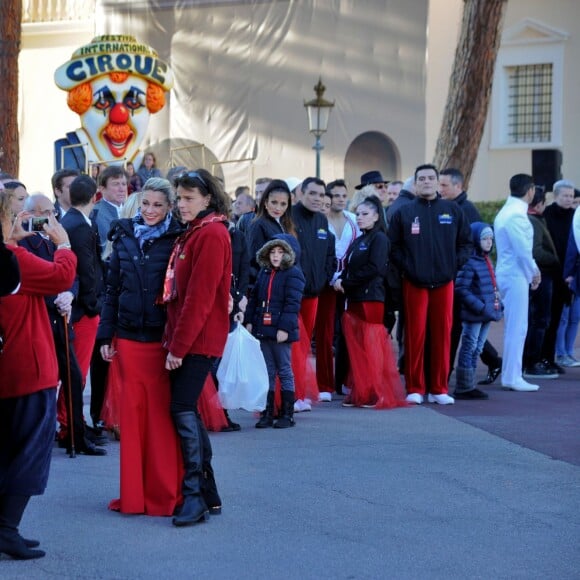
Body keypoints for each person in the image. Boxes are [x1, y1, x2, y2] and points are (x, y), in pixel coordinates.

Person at [96, 177, 183, 515]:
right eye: (145, 204)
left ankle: (163, 496)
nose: (150, 211)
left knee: (161, 420)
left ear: (169, 207)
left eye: (158, 205)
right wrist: (106, 336)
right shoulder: (124, 235)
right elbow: (112, 290)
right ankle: (133, 496)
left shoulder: (178, 239)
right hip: (129, 340)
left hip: (162, 342)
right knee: (131, 421)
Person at [0, 207, 76, 560]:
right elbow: (61, 276)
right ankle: (7, 529)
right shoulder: (13, 260)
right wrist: (64, 245)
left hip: (11, 366)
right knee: (28, 454)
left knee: (10, 451)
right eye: (13, 211)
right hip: (28, 367)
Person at [162, 169, 232, 527]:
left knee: (182, 408)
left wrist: (178, 346)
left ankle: (195, 495)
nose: (182, 204)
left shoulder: (213, 234)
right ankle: (207, 491)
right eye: (180, 197)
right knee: (187, 409)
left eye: (190, 198)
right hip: (190, 336)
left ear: (207, 199)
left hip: (198, 339)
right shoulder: (197, 232)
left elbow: (199, 299)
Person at [20, 194, 106, 457]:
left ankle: (77, 437)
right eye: (45, 212)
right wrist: (55, 295)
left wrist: (69, 294)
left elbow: (73, 273)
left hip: (63, 319)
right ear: (31, 214)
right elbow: (32, 277)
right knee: (42, 383)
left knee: (74, 378)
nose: (51, 218)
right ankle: (37, 440)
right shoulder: (25, 241)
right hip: (42, 320)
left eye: (52, 212)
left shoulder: (59, 238)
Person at [388, 164, 472, 405]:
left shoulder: (452, 211)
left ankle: (439, 388)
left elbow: (466, 244)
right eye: (421, 178)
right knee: (415, 335)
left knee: (442, 335)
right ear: (415, 183)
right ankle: (415, 387)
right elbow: (393, 247)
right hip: (414, 283)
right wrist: (409, 267)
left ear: (437, 182)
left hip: (444, 283)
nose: (426, 181)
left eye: (430, 178)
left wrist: (453, 266)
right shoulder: (404, 213)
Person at [334, 195, 406, 409]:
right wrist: (342, 280)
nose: (360, 217)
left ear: (376, 216)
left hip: (370, 299)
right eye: (358, 214)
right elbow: (352, 267)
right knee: (357, 348)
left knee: (371, 347)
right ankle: (361, 391)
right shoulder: (359, 240)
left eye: (365, 214)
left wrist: (345, 282)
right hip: (355, 299)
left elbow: (375, 269)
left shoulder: (380, 239)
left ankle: (376, 392)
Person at [246, 237, 305, 428]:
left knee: (285, 371)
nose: (276, 256)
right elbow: (254, 298)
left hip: (280, 330)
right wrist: (249, 321)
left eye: (280, 252)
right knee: (267, 372)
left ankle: (287, 414)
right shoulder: (264, 272)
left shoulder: (293, 274)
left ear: (287, 254)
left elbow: (292, 304)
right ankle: (268, 412)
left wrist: (284, 328)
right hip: (263, 328)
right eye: (272, 252)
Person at [494, 174, 541, 392]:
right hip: (515, 275)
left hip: (510, 273)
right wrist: (534, 271)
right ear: (530, 190)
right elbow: (523, 250)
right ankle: (512, 376)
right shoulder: (516, 215)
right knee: (517, 327)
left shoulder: (508, 211)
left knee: (515, 326)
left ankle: (511, 374)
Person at [291, 177, 335, 410]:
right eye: (313, 194)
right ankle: (293, 394)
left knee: (305, 345)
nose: (318, 199)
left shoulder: (321, 220)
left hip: (313, 293)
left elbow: (329, 253)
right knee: (292, 345)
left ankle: (300, 392)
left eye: (321, 195)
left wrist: (324, 276)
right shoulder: (290, 216)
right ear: (301, 193)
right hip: (292, 293)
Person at [316, 179, 359, 398]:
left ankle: (346, 380)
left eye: (344, 195)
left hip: (348, 284)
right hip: (325, 283)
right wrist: (331, 277)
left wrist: (348, 279)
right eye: (336, 195)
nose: (341, 199)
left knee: (349, 332)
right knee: (324, 333)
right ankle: (324, 384)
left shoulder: (353, 220)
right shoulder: (320, 222)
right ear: (327, 198)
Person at [453, 223, 503, 399]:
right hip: (475, 313)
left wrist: (496, 305)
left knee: (478, 347)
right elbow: (461, 289)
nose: (489, 242)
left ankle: (470, 383)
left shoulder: (486, 260)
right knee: (470, 345)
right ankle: (464, 386)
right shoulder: (469, 261)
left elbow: (492, 286)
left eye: (491, 238)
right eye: (484, 238)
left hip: (486, 313)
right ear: (475, 239)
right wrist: (480, 306)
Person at [522, 186, 560, 380]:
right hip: (541, 276)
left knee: (537, 320)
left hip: (540, 275)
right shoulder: (534, 222)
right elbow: (536, 251)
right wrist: (555, 260)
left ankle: (531, 361)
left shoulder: (533, 220)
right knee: (540, 320)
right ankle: (532, 362)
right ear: (539, 204)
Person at [541, 179, 576, 373]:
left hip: (568, 276)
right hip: (549, 274)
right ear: (556, 196)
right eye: (565, 195)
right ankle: (539, 358)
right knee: (545, 319)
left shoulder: (575, 216)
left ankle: (550, 358)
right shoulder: (546, 215)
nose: (569, 199)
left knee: (555, 320)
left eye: (571, 196)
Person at [247, 179, 296, 283]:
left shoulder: (286, 224)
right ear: (265, 202)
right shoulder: (258, 224)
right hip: (268, 284)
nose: (278, 208)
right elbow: (255, 260)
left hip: (284, 283)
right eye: (274, 202)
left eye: (283, 204)